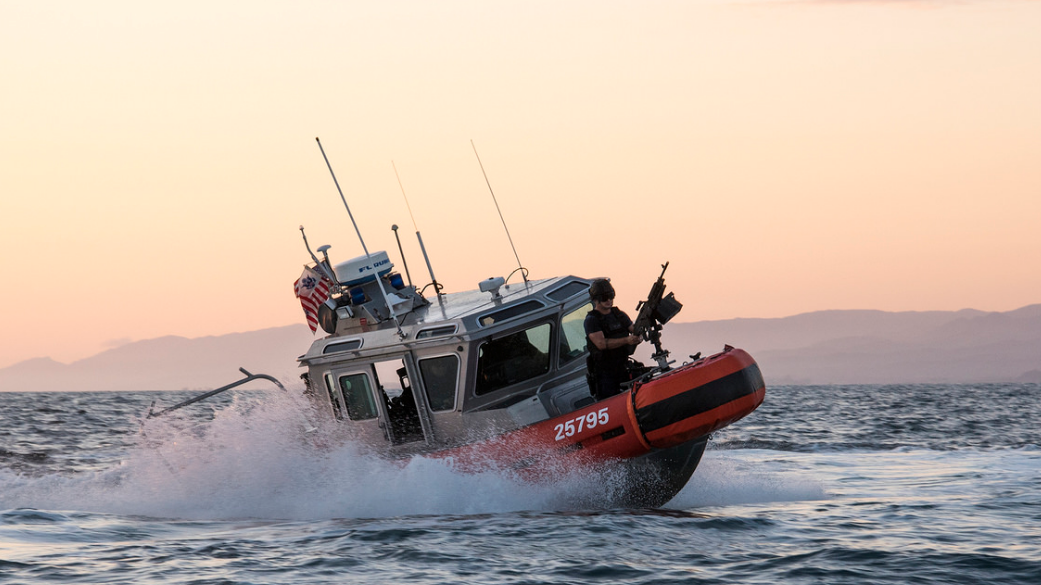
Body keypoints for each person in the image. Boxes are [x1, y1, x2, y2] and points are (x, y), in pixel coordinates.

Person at [584, 278, 641, 400]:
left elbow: (633, 329)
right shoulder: (592, 320)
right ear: (596, 299)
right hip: (606, 376)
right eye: (605, 297)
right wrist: (627, 340)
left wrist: (640, 332)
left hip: (623, 367)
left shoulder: (619, 315)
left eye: (611, 296)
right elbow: (601, 344)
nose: (609, 300)